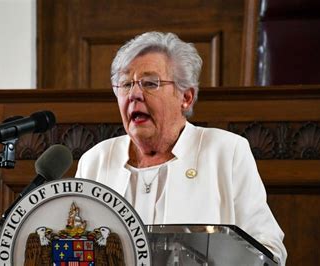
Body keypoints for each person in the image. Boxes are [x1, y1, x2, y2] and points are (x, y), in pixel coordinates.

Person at [75, 31, 287, 264]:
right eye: (126, 84)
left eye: (149, 83)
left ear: (185, 97)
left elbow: (269, 251)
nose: (134, 94)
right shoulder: (95, 161)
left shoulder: (227, 153)